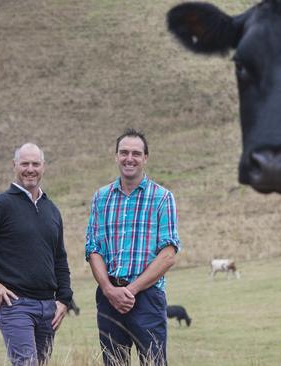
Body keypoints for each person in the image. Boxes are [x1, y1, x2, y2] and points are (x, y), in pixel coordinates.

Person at [0, 142, 73, 366]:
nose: (30, 169)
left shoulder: (52, 210)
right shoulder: (0, 205)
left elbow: (59, 258)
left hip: (48, 307)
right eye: (25, 163)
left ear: (43, 167)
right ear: (14, 165)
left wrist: (64, 299)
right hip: (15, 304)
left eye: (35, 164)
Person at [85, 128, 180, 365]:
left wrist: (132, 290)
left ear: (145, 158)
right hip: (109, 297)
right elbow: (93, 249)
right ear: (116, 156)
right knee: (114, 362)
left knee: (153, 362)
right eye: (124, 152)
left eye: (136, 153)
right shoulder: (101, 198)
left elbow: (168, 254)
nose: (130, 158)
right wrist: (108, 289)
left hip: (147, 298)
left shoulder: (162, 198)